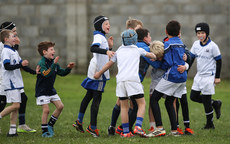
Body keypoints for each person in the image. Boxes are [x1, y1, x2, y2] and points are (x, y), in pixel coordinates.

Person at [94, 29, 156, 138]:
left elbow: (109, 63)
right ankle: (138, 127)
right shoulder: (138, 49)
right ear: (135, 39)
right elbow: (152, 56)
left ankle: (126, 132)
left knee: (124, 107)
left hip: (121, 81)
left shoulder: (119, 51)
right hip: (133, 80)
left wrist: (99, 73)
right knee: (141, 104)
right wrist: (155, 55)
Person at [72, 15, 114, 137]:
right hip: (98, 71)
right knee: (97, 99)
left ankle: (79, 121)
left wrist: (109, 47)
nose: (108, 25)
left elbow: (102, 53)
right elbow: (93, 48)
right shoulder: (98, 36)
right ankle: (93, 127)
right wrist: (107, 51)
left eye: (109, 23)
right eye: (106, 24)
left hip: (95, 67)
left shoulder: (101, 37)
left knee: (89, 95)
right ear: (100, 26)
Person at [148, 20, 187, 137]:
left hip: (172, 76)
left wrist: (159, 60)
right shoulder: (181, 43)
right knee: (169, 102)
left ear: (166, 31)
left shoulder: (168, 44)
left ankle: (159, 128)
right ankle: (174, 131)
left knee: (154, 99)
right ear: (179, 32)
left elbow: (169, 62)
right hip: (182, 78)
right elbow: (183, 57)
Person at [108, 18, 143, 136]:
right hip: (131, 78)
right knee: (132, 104)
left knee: (124, 104)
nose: (139, 33)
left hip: (123, 79)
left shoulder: (129, 46)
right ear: (130, 30)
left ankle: (123, 130)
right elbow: (112, 60)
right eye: (137, 30)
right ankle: (121, 127)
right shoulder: (131, 46)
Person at [0, 21, 37, 133]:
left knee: (19, 101)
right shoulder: (3, 47)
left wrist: (34, 72)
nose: (16, 34)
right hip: (5, 79)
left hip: (14, 79)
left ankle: (15, 128)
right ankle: (19, 125)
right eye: (14, 32)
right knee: (6, 102)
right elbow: (7, 64)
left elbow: (17, 60)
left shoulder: (11, 48)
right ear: (6, 36)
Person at [36, 41, 74, 137]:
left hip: (51, 90)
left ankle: (50, 125)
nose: (54, 51)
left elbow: (62, 73)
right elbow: (46, 74)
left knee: (60, 106)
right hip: (42, 91)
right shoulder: (42, 63)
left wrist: (68, 68)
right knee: (46, 110)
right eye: (51, 49)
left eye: (54, 49)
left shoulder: (53, 63)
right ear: (45, 52)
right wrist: (54, 65)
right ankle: (44, 131)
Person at [189, 22, 222, 129]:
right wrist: (186, 70)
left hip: (209, 77)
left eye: (202, 33)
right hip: (199, 76)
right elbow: (191, 58)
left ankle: (210, 124)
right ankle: (215, 103)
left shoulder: (213, 46)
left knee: (206, 102)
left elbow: (219, 61)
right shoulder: (195, 44)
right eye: (198, 33)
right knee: (193, 96)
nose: (200, 35)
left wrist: (217, 77)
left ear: (207, 33)